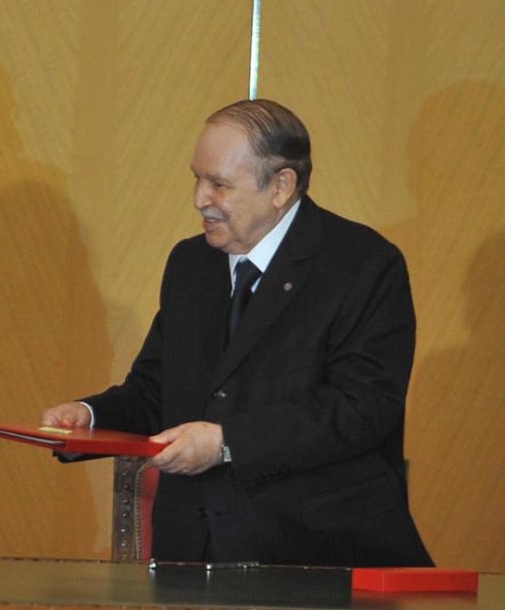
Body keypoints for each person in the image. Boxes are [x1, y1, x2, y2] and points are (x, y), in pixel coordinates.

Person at [42, 99, 432, 567]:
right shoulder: (191, 264)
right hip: (191, 552)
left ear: (281, 186)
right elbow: (157, 390)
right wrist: (89, 417)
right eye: (197, 178)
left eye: (219, 184)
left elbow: (361, 409)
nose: (199, 199)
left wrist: (227, 441)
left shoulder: (361, 264)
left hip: (313, 554)